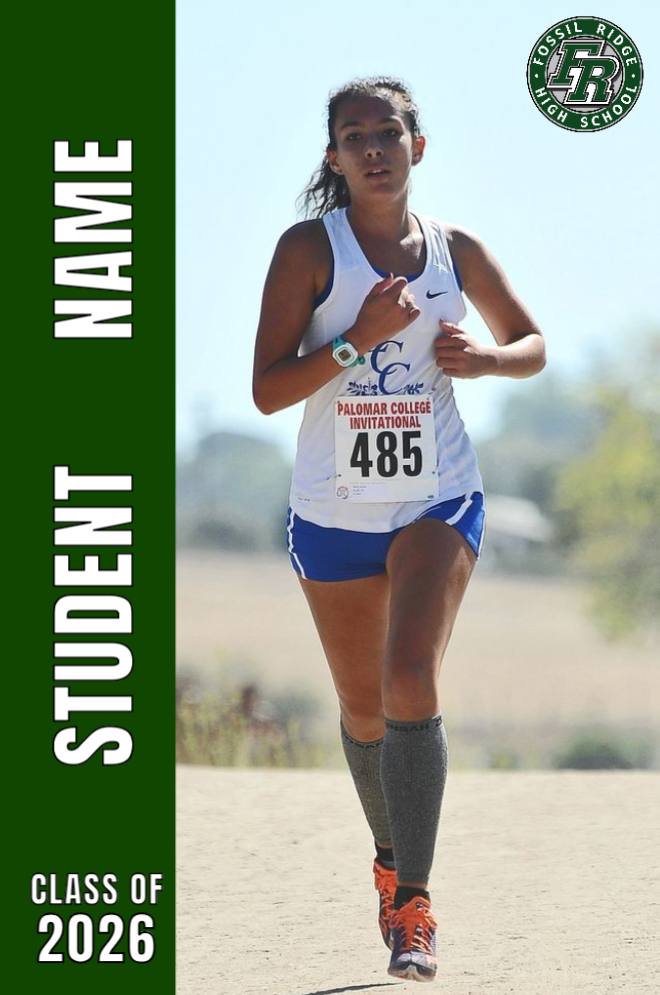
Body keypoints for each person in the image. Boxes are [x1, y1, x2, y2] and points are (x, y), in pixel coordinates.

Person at [252, 76, 545, 982]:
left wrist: (486, 359)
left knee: (411, 675)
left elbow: (531, 342)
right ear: (334, 156)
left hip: (437, 496)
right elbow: (267, 389)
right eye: (355, 137)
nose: (373, 149)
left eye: (388, 132)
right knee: (365, 709)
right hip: (333, 507)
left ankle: (413, 905)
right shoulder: (310, 249)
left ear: (419, 146)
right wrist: (358, 337)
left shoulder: (458, 250)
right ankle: (390, 860)